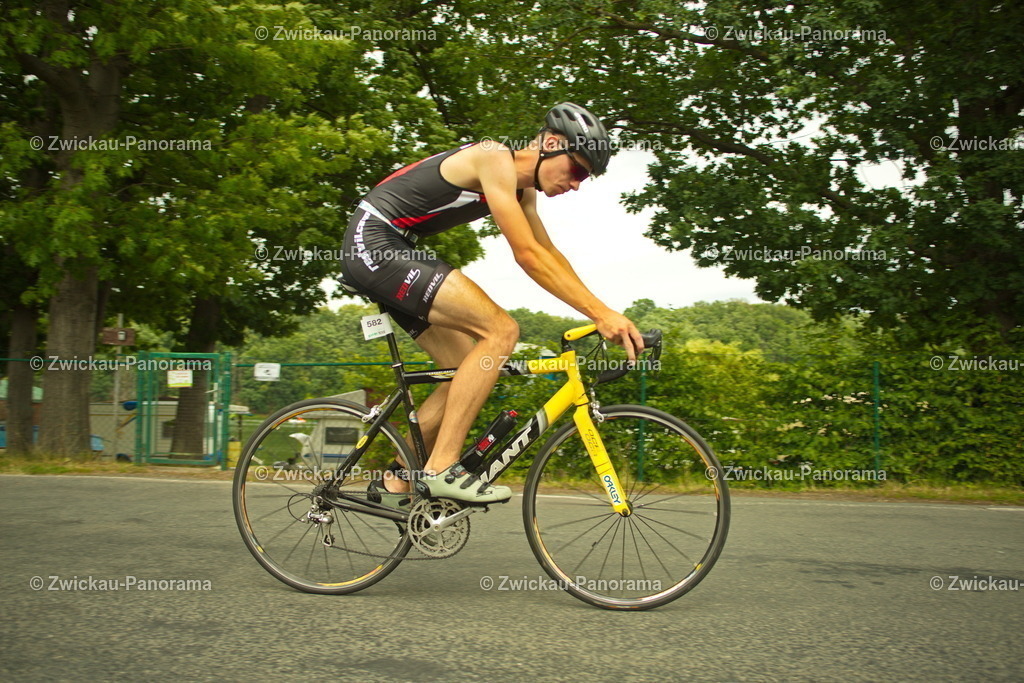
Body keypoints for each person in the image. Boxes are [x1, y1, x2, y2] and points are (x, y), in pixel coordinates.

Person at [339, 102, 644, 505]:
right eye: (578, 170)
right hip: (374, 243)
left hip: (392, 249)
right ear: (551, 143)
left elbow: (547, 252)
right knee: (501, 331)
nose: (576, 185)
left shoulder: (525, 190)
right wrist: (599, 314)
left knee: (467, 365)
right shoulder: (493, 157)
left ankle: (400, 476)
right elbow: (527, 256)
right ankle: (440, 469)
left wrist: (607, 311)